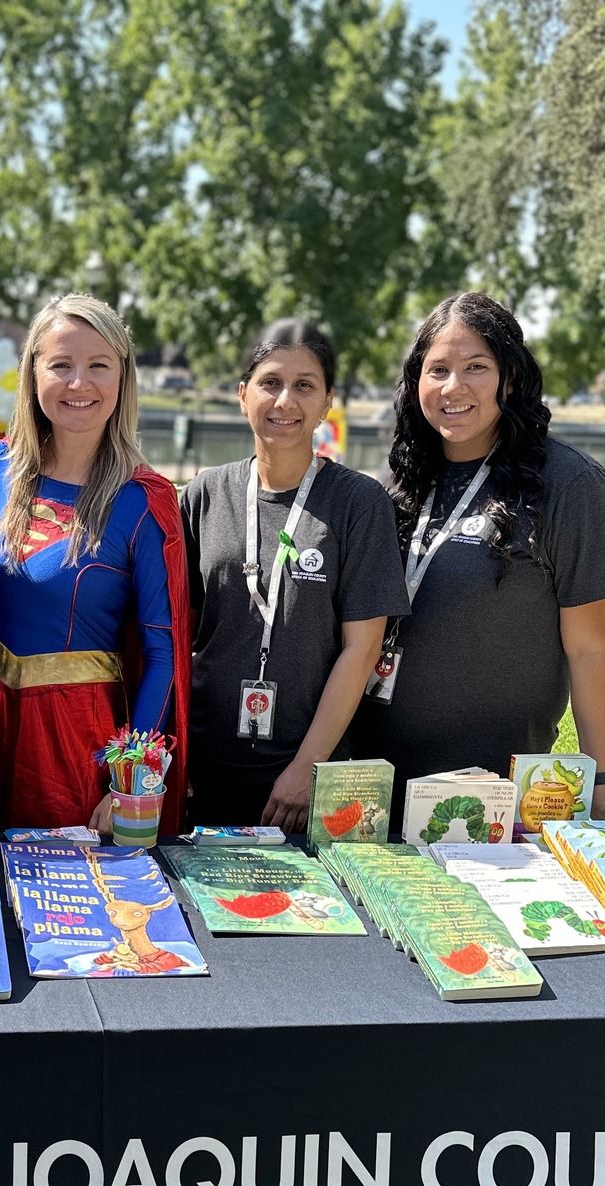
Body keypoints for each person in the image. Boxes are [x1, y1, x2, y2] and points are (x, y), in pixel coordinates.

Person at [348, 291, 605, 832]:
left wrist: (603, 785)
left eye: (476, 368)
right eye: (437, 369)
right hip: (368, 786)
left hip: (496, 797)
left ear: (510, 378)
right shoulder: (397, 484)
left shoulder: (571, 487)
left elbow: (591, 649)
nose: (453, 387)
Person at [0, 294, 191, 832]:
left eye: (98, 365)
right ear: (32, 373)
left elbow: (162, 653)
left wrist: (129, 779)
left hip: (80, 744)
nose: (79, 383)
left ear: (123, 378)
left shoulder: (143, 499)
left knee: (72, 901)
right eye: (61, 364)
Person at [180, 321, 408, 833]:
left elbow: (362, 649)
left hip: (307, 778)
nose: (285, 400)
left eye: (305, 385)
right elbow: (178, 634)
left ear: (327, 401)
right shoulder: (204, 494)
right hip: (203, 769)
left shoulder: (358, 503)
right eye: (270, 382)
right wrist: (175, 753)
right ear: (243, 395)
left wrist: (307, 768)